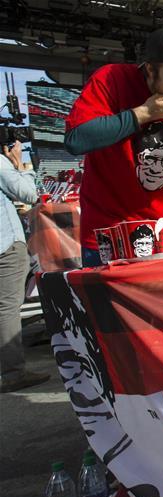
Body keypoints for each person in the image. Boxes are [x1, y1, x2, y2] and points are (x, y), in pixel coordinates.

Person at [64, 26, 163, 267]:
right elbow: (76, 139)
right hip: (110, 234)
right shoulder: (112, 78)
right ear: (150, 70)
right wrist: (144, 113)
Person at [1, 140, 50, 392]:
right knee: (8, 307)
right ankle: (12, 372)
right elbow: (30, 194)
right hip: (5, 242)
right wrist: (19, 164)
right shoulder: (1, 163)